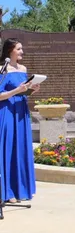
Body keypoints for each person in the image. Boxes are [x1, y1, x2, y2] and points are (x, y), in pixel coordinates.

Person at [0, 38, 40, 203]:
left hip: (22, 113)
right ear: (10, 51)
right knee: (8, 149)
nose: (22, 52)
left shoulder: (23, 69)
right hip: (7, 112)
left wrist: (31, 89)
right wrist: (17, 90)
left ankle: (20, 189)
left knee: (20, 148)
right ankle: (7, 192)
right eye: (19, 49)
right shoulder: (2, 69)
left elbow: (23, 92)